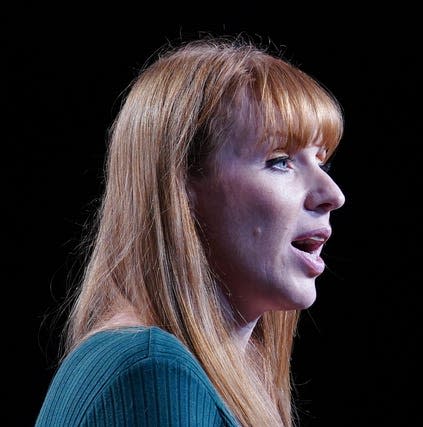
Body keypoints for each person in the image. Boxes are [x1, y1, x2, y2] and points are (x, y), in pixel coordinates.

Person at [36, 34, 346, 426]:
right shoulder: (152, 371)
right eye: (280, 161)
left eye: (322, 162)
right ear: (180, 188)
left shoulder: (184, 372)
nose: (332, 195)